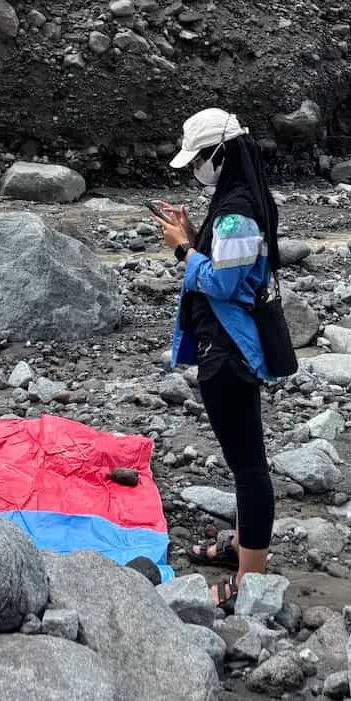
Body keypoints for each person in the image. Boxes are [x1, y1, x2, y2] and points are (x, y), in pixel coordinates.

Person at [151, 107, 279, 602]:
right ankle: (247, 550)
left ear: (221, 153)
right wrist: (193, 231)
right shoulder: (240, 201)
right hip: (228, 345)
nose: (198, 169)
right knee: (244, 459)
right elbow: (229, 260)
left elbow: (224, 282)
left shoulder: (236, 211)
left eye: (201, 159)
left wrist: (184, 249)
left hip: (230, 350)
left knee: (249, 466)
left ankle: (250, 578)